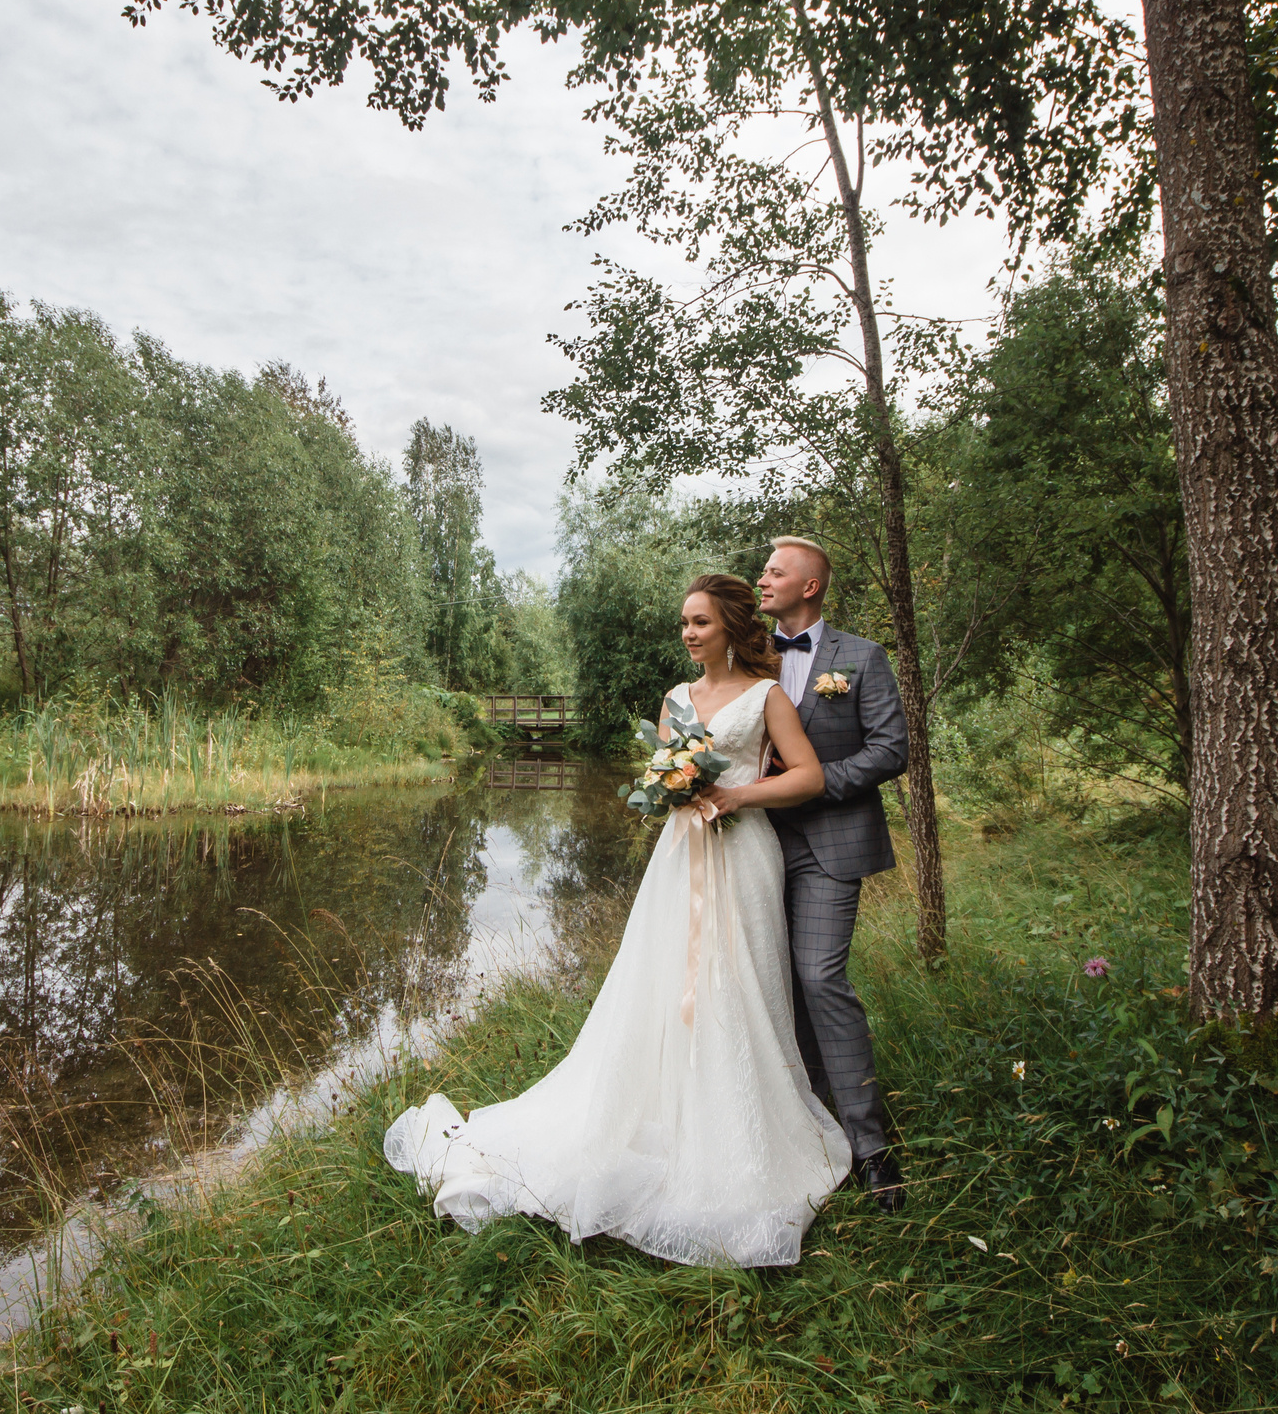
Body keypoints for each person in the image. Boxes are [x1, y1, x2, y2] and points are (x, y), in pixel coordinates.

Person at [382, 573, 854, 1267]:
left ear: (729, 625)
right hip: (682, 854)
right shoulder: (675, 700)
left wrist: (737, 793)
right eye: (684, 624)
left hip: (746, 851)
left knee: (740, 981)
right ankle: (661, 1111)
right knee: (667, 983)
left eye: (700, 622)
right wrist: (676, 786)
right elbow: (665, 776)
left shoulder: (766, 695)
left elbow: (808, 775)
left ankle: (738, 1124)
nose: (689, 634)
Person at [757, 534, 908, 1210]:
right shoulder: (750, 654)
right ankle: (809, 1129)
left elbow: (890, 747)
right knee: (776, 984)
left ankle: (872, 1146)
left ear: (809, 585)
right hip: (754, 843)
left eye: (775, 570)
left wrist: (813, 782)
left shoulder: (861, 657)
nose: (763, 579)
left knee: (820, 976)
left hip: (830, 841)